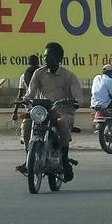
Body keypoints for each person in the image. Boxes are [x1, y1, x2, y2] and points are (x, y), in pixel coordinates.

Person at [18, 42, 83, 181]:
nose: (45, 59)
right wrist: (25, 99)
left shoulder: (69, 76)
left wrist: (75, 101)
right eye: (44, 56)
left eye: (49, 56)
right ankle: (29, 157)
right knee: (26, 123)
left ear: (59, 58)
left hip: (63, 111)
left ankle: (64, 160)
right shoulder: (38, 73)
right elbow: (30, 93)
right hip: (43, 111)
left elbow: (78, 97)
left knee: (61, 122)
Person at [11, 54, 40, 148]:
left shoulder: (43, 74)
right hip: (31, 107)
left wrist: (15, 112)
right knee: (26, 126)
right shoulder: (24, 77)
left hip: (43, 106)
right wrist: (15, 111)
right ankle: (28, 150)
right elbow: (20, 95)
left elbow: (20, 95)